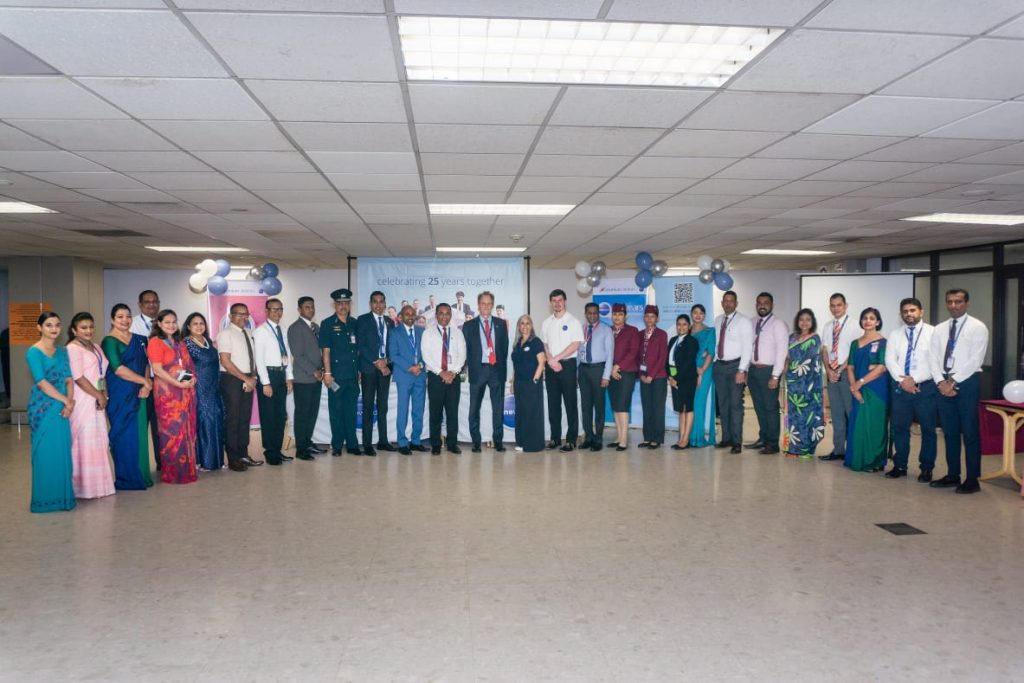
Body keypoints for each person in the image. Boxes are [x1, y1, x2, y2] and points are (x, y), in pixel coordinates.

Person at [929, 288, 989, 494]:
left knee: (970, 432)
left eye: (958, 301)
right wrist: (941, 382)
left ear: (967, 303)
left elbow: (976, 359)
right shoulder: (939, 329)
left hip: (967, 381)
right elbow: (933, 358)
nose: (953, 305)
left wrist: (953, 381)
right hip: (943, 382)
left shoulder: (977, 327)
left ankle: (972, 479)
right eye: (950, 301)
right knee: (950, 432)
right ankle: (953, 475)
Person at [26, 312, 76, 512]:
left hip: (63, 407)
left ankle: (63, 499)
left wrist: (69, 402)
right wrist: (66, 400)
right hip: (43, 408)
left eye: (57, 325)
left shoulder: (63, 351)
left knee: (61, 452)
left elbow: (69, 379)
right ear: (39, 328)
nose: (54, 329)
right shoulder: (33, 352)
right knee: (45, 453)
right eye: (48, 325)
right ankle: (44, 501)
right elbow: (41, 382)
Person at [883, 298, 938, 481]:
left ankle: (927, 468)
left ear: (921, 312)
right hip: (901, 389)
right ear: (901, 314)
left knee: (928, 430)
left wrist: (914, 380)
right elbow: (890, 360)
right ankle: (900, 465)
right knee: (900, 428)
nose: (909, 314)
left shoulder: (933, 332)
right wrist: (903, 381)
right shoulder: (895, 334)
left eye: (912, 310)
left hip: (925, 388)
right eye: (905, 311)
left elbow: (935, 361)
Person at [101, 304, 152, 489]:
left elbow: (145, 363)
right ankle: (127, 479)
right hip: (120, 394)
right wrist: (144, 381)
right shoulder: (109, 341)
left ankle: (142, 475)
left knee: (139, 434)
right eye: (120, 317)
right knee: (123, 435)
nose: (125, 320)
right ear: (112, 320)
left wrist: (146, 384)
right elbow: (118, 369)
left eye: (128, 316)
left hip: (140, 393)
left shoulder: (140, 339)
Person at [66, 312, 115, 499]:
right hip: (83, 400)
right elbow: (78, 377)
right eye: (83, 328)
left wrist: (104, 394)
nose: (88, 331)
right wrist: (98, 395)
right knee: (84, 442)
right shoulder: (73, 348)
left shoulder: (95, 347)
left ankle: (100, 486)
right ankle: (83, 488)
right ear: (74, 330)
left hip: (97, 398)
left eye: (91, 327)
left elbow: (102, 374)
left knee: (99, 440)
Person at [146, 310, 197, 484]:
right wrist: (178, 384)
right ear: (159, 324)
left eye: (174, 321)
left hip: (183, 392)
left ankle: (187, 470)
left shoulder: (178, 342)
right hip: (167, 396)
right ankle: (173, 473)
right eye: (167, 322)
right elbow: (158, 370)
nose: (171, 325)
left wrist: (190, 379)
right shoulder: (155, 342)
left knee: (185, 430)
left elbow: (186, 366)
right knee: (172, 433)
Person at [463, 291, 509, 452]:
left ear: (493, 305)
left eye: (489, 303)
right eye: (483, 303)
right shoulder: (469, 325)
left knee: (498, 408)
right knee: (474, 409)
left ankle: (498, 441)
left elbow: (504, 349)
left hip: (496, 370)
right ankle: (476, 442)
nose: (486, 306)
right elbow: (467, 351)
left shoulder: (501, 324)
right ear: (478, 305)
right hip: (478, 371)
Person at [845, 308, 889, 472]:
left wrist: (860, 383)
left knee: (875, 424)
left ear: (878, 322)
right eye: (865, 318)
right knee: (858, 423)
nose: (868, 321)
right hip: (857, 389)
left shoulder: (884, 343)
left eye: (872, 318)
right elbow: (850, 367)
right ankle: (858, 459)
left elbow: (881, 368)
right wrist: (854, 388)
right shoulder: (854, 343)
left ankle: (874, 461)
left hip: (876, 388)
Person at [219, 303, 262, 471]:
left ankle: (243, 454)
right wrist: (246, 379)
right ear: (231, 316)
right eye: (239, 314)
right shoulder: (225, 334)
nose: (243, 317)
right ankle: (233, 458)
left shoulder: (249, 333)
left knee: (244, 419)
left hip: (248, 378)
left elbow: (253, 358)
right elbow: (225, 361)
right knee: (233, 420)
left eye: (245, 314)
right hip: (232, 380)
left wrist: (253, 378)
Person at [541, 289, 583, 452]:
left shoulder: (573, 321)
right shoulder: (546, 322)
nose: (557, 303)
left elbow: (575, 344)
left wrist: (556, 358)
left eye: (560, 300)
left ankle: (571, 440)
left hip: (567, 366)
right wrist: (551, 360)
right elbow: (545, 344)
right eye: (554, 301)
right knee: (553, 404)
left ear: (565, 301)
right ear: (550, 303)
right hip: (551, 366)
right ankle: (555, 438)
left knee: (570, 404)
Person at [746, 292, 789, 455]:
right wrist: (746, 369)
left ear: (772, 305)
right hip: (753, 370)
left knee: (770, 407)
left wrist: (775, 375)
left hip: (769, 371)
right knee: (759, 407)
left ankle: (773, 443)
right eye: (759, 302)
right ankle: (763, 438)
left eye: (766, 302)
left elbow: (782, 351)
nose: (762, 305)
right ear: (756, 305)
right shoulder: (751, 322)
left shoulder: (778, 324)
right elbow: (747, 347)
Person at [321, 289, 362, 456]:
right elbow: (326, 351)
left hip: (352, 376)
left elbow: (357, 350)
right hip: (336, 376)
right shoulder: (327, 323)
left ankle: (352, 444)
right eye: (340, 303)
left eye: (346, 303)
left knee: (351, 412)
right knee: (336, 412)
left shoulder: (354, 323)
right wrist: (327, 374)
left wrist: (359, 371)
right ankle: (337, 445)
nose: (343, 306)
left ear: (350, 304)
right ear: (334, 305)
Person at [818, 293, 859, 462]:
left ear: (845, 306)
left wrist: (840, 369)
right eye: (833, 305)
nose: (836, 308)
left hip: (847, 373)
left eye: (839, 305)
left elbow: (854, 351)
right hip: (831, 375)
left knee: (850, 413)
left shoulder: (855, 325)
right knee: (836, 414)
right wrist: (828, 370)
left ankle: (853, 451)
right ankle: (838, 450)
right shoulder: (828, 326)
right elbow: (825, 350)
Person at [254, 299, 294, 466]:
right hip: (268, 375)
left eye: (280, 309)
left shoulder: (283, 329)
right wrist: (265, 383)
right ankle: (270, 452)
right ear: (266, 311)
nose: (278, 312)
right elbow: (259, 359)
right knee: (269, 416)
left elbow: (287, 355)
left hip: (281, 375)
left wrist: (289, 376)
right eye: (274, 309)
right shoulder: (261, 331)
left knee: (280, 416)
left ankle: (277, 450)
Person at [422, 303, 465, 455]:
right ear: (436, 315)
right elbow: (426, 356)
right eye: (441, 313)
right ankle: (435, 444)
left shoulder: (458, 333)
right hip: (435, 377)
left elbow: (462, 355)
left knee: (452, 412)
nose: (444, 316)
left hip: (453, 377)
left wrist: (453, 372)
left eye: (447, 313)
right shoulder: (428, 333)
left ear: (451, 316)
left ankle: (452, 444)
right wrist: (441, 372)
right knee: (435, 412)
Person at [713, 290, 753, 453]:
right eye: (725, 301)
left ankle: (736, 442)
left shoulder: (744, 321)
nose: (728, 303)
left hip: (735, 367)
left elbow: (748, 348)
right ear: (722, 303)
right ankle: (726, 438)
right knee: (723, 405)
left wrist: (742, 370)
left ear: (736, 304)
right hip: (719, 367)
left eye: (731, 301)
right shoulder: (717, 320)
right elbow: (716, 344)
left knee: (735, 406)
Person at [183, 312, 225, 471]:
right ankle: (205, 461)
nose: (199, 326)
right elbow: (181, 366)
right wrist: (187, 385)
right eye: (195, 323)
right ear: (188, 326)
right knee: (204, 422)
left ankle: (217, 460)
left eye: (201, 323)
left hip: (214, 387)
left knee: (217, 419)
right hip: (198, 389)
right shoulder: (186, 343)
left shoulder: (209, 341)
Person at [783, 309, 825, 459]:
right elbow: (787, 358)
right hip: (792, 383)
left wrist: (807, 384)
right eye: (801, 319)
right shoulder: (791, 338)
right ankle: (793, 447)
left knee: (806, 416)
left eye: (808, 319)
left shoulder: (815, 338)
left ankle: (804, 449)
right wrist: (784, 374)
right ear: (797, 321)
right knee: (793, 415)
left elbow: (811, 362)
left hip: (808, 384)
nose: (804, 322)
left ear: (812, 322)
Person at [356, 291, 394, 456]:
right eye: (375, 302)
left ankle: (383, 441)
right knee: (368, 406)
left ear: (385, 304)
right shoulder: (363, 320)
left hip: (385, 370)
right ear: (370, 304)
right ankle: (367, 444)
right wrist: (377, 361)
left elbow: (392, 345)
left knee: (383, 406)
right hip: (369, 369)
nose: (378, 305)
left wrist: (387, 361)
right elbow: (361, 345)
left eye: (381, 302)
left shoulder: (389, 321)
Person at [288, 296, 324, 461]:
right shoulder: (295, 328)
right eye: (307, 307)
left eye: (312, 307)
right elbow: (298, 355)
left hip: (316, 378)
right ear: (299, 309)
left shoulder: (315, 327)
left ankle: (308, 442)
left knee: (312, 413)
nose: (311, 310)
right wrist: (313, 371)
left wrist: (322, 370)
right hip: (303, 378)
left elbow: (320, 352)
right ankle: (301, 449)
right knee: (302, 414)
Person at [389, 305, 429, 455]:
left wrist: (420, 365)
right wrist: (410, 367)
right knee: (403, 410)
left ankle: (416, 441)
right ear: (401, 316)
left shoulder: (421, 331)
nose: (410, 317)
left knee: (418, 409)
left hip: (420, 375)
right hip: (404, 376)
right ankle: (402, 442)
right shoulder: (394, 332)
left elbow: (427, 352)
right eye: (407, 314)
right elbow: (394, 355)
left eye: (413, 314)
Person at [131, 289, 162, 470]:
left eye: (155, 301)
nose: (152, 305)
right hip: (142, 383)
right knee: (141, 425)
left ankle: (162, 464)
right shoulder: (132, 325)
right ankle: (140, 467)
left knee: (161, 427)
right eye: (148, 302)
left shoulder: (165, 323)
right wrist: (144, 380)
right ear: (140, 305)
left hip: (163, 383)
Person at [577, 303, 613, 452]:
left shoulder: (606, 330)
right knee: (585, 406)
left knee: (599, 406)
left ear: (598, 314)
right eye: (589, 313)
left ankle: (598, 438)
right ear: (585, 314)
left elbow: (610, 354)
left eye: (595, 313)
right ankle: (588, 437)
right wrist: (577, 373)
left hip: (598, 370)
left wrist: (606, 376)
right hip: (583, 370)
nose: (592, 315)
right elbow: (578, 352)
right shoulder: (581, 329)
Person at [511, 314, 546, 453]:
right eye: (522, 323)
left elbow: (542, 362)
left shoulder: (536, 342)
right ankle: (521, 442)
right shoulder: (517, 343)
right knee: (521, 414)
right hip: (519, 384)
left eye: (528, 323)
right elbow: (516, 366)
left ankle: (533, 445)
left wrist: (535, 380)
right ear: (518, 327)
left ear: (531, 326)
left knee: (531, 414)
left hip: (531, 384)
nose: (525, 326)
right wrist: (513, 383)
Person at [608, 303, 640, 451]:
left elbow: (633, 352)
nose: (617, 317)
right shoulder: (608, 330)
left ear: (625, 316)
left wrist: (617, 366)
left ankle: (624, 440)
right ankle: (618, 437)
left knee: (622, 406)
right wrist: (610, 369)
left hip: (626, 372)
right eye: (615, 314)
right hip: (611, 373)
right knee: (615, 406)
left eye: (620, 314)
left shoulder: (632, 331)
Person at [637, 305, 668, 449]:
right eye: (647, 316)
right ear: (644, 318)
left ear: (657, 318)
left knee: (657, 408)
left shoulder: (662, 334)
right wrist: (641, 375)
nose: (649, 319)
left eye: (652, 317)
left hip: (658, 377)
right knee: (647, 407)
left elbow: (662, 357)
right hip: (644, 377)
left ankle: (657, 438)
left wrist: (651, 375)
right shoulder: (640, 334)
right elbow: (637, 357)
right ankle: (647, 437)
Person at [667, 314, 699, 451]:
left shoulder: (692, 341)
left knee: (688, 408)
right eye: (679, 324)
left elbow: (688, 362)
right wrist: (670, 377)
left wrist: (676, 378)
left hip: (687, 379)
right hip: (674, 379)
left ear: (689, 326)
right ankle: (681, 438)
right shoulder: (673, 340)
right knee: (681, 410)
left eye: (684, 324)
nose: (681, 327)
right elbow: (668, 361)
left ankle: (686, 440)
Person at [688, 304, 716, 448]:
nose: (698, 315)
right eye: (695, 312)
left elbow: (710, 353)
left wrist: (701, 371)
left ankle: (697, 437)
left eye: (701, 313)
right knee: (689, 404)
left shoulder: (709, 332)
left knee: (698, 403)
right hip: (689, 371)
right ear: (691, 314)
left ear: (704, 315)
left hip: (704, 370)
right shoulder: (687, 330)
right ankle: (687, 435)